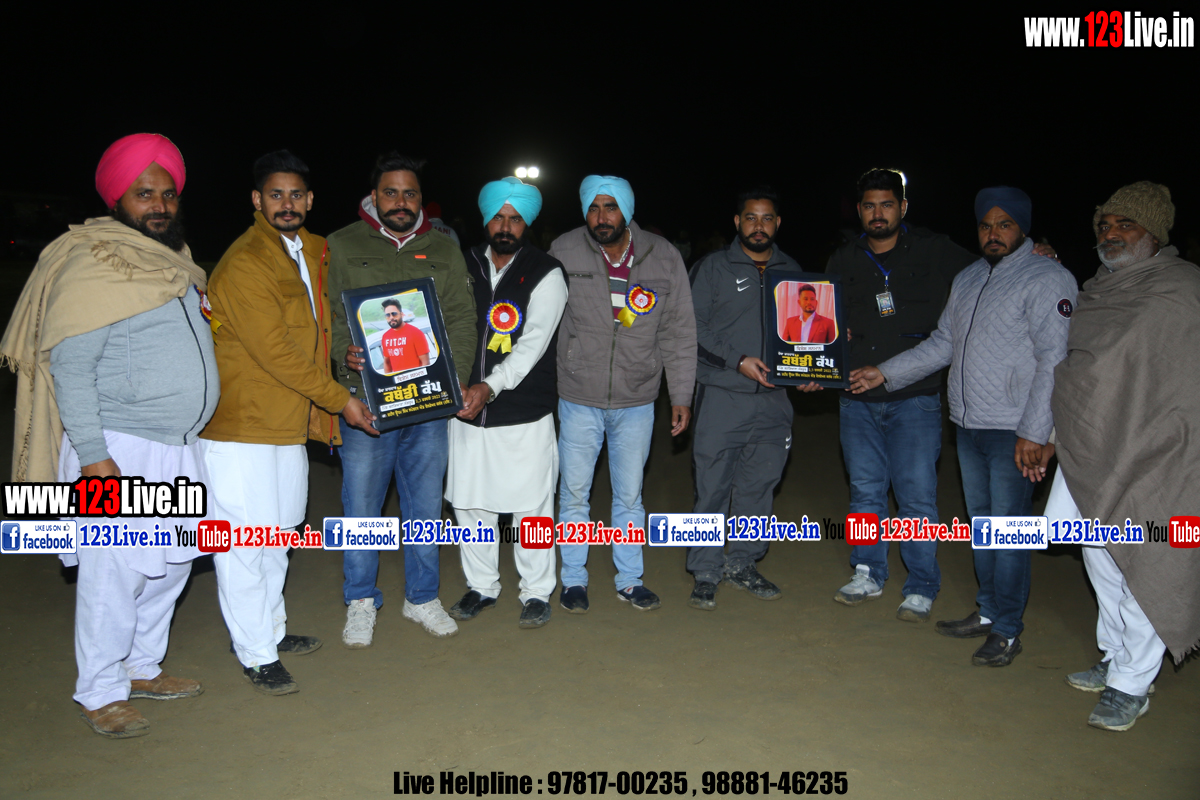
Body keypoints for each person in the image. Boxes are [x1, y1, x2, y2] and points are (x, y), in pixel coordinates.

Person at [1, 134, 216, 737]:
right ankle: (99, 690)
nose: (159, 205)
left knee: (171, 566)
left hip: (178, 447)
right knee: (112, 574)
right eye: (144, 193)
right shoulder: (95, 264)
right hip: (117, 449)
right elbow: (70, 369)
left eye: (168, 194)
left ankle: (142, 667)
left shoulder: (175, 262)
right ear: (116, 199)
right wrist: (95, 458)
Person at [851, 186, 1077, 666]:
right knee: (984, 528)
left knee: (1010, 533)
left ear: (1023, 228)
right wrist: (884, 372)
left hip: (1015, 430)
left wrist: (1037, 432)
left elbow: (1055, 359)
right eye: (986, 225)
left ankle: (1008, 630)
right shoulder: (970, 277)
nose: (993, 234)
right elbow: (943, 344)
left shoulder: (1048, 278)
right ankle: (989, 610)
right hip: (970, 425)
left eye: (1004, 225)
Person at [202, 151, 376, 695]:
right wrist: (341, 400)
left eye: (296, 194)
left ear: (310, 199)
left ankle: (269, 631)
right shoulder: (245, 261)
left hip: (290, 421)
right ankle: (256, 653)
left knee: (279, 533)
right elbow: (276, 351)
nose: (287, 204)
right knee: (244, 543)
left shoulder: (314, 249)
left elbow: (328, 324)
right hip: (243, 425)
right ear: (257, 200)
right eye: (275, 195)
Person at [1049, 181, 1200, 731]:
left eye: (1125, 224)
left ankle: (1132, 684)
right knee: (1098, 555)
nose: (1110, 234)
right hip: (1092, 447)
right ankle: (1115, 656)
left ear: (1154, 232)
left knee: (1147, 560)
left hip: (1161, 454)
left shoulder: (1182, 290)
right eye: (1104, 225)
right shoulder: (1098, 289)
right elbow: (1086, 371)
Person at [332, 153, 477, 645]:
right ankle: (360, 600)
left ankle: (421, 596)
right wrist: (343, 354)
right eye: (390, 192)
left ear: (421, 199)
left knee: (425, 505)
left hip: (427, 404)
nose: (400, 202)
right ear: (374, 196)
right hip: (367, 405)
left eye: (409, 193)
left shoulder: (444, 248)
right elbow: (330, 318)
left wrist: (453, 379)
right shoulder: (342, 244)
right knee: (362, 506)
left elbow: (461, 319)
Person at [826, 168, 977, 622]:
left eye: (887, 204)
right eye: (870, 206)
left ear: (903, 207)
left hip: (916, 398)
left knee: (916, 497)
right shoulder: (843, 259)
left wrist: (1038, 253)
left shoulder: (935, 250)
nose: (878, 213)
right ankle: (867, 571)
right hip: (857, 400)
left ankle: (921, 584)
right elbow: (824, 326)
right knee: (865, 493)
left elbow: (991, 270)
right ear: (859, 211)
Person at [551, 175, 696, 612]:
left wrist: (681, 395)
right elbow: (543, 320)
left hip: (637, 398)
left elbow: (679, 332)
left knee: (630, 496)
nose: (601, 217)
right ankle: (573, 580)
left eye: (610, 207)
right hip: (578, 395)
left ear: (627, 211)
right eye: (593, 208)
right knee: (574, 495)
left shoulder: (663, 256)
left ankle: (630, 580)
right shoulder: (563, 250)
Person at [687, 187, 819, 609]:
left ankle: (742, 563)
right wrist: (737, 360)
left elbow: (804, 330)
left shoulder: (793, 271)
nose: (758, 226)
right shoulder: (712, 268)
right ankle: (706, 570)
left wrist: (811, 370)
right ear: (737, 222)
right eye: (750, 217)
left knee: (759, 487)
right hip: (723, 394)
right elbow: (692, 328)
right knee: (712, 487)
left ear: (778, 223)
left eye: (766, 218)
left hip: (775, 400)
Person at [446, 177, 567, 628]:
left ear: (526, 223)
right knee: (470, 505)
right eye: (498, 217)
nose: (505, 226)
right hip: (464, 410)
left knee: (531, 507)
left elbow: (533, 344)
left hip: (523, 414)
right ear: (486, 219)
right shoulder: (463, 264)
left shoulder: (547, 272)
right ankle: (481, 586)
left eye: (515, 219)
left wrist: (490, 386)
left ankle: (536, 592)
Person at [378, 298, 430, 373]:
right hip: (398, 379)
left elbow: (425, 363)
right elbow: (387, 363)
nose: (391, 317)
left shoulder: (416, 333)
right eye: (388, 315)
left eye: (394, 314)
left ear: (401, 314)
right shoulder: (385, 337)